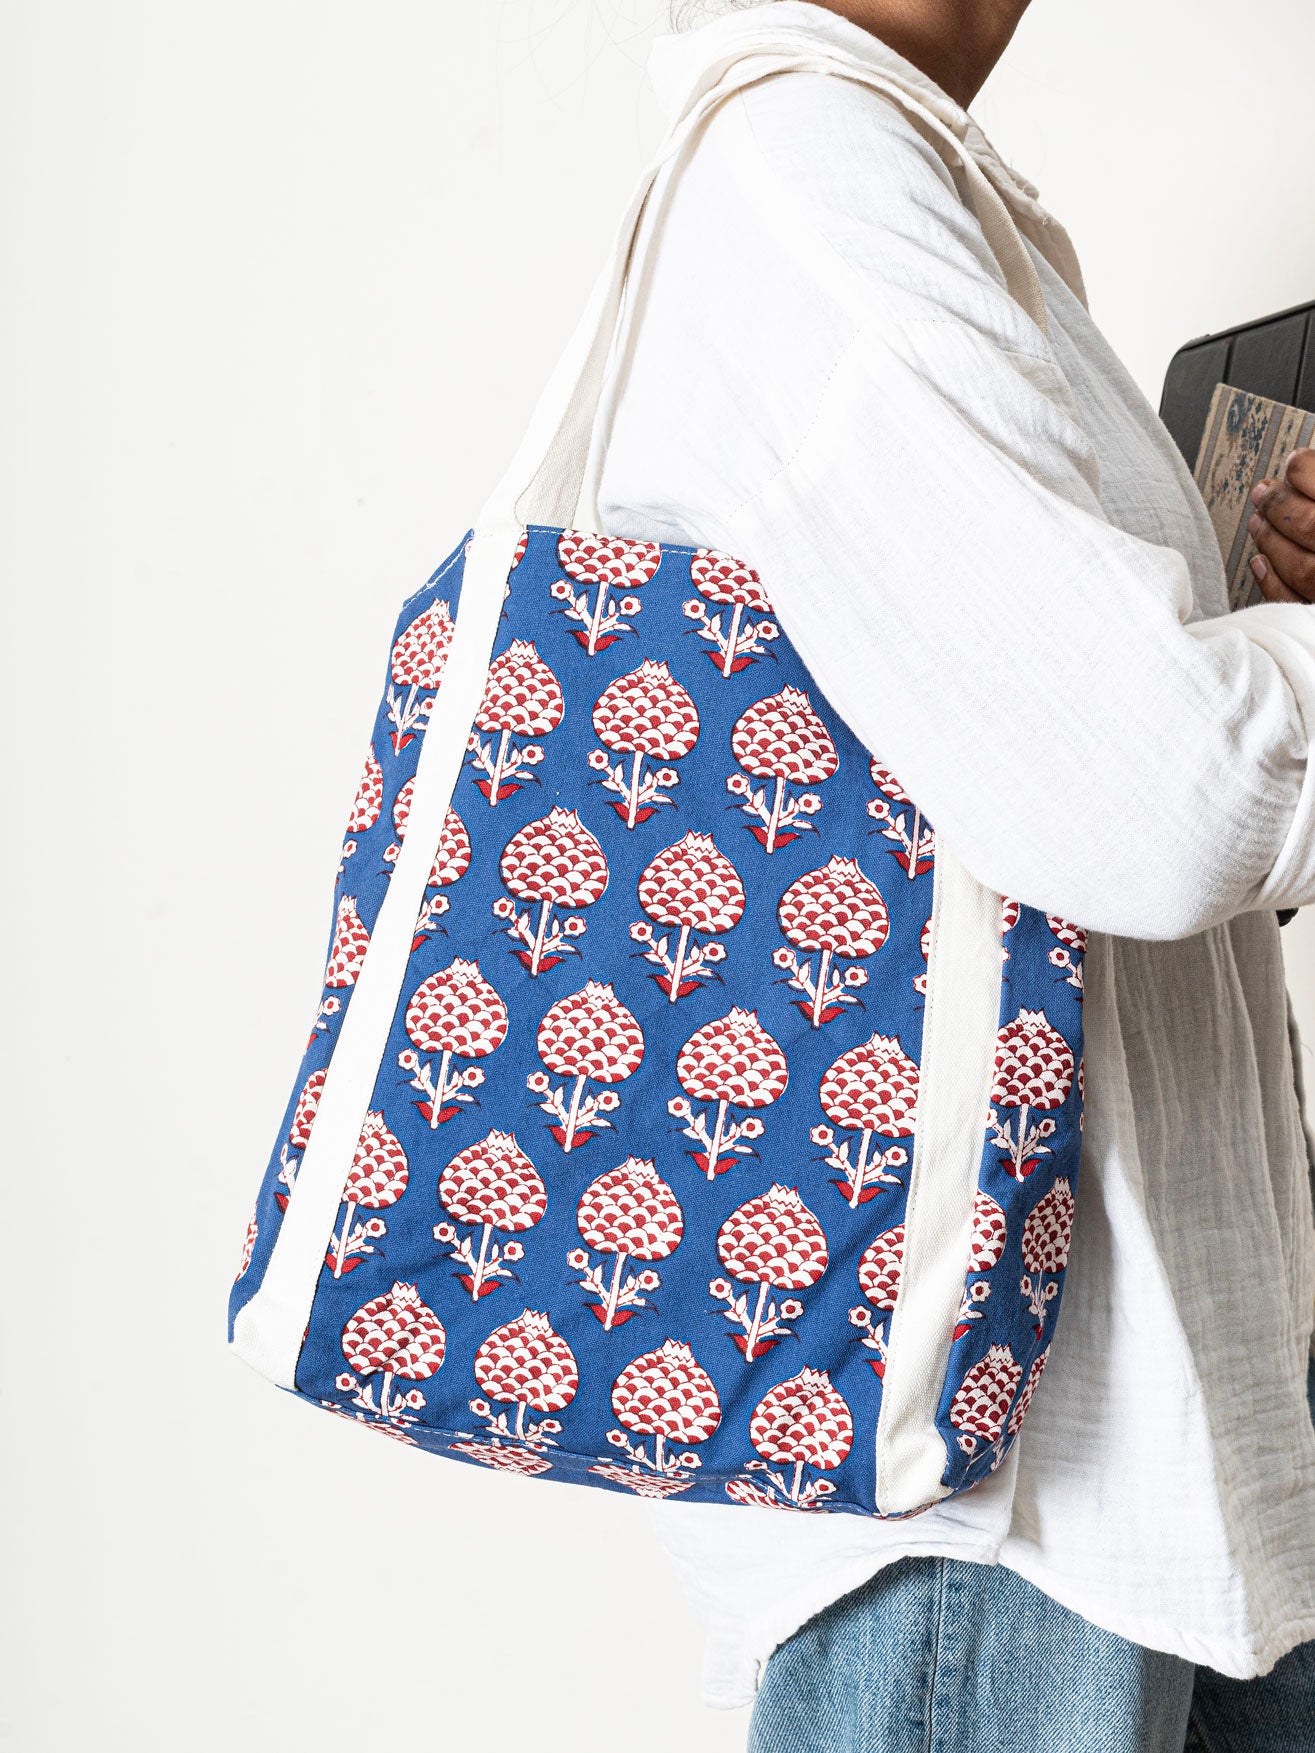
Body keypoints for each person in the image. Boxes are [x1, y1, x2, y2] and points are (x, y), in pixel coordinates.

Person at [585, 1, 1315, 1747]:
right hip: (997, 1492)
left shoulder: (911, 178)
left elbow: (1063, 777)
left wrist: (1234, 611)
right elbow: (1167, 798)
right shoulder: (807, 171)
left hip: (1138, 1440)